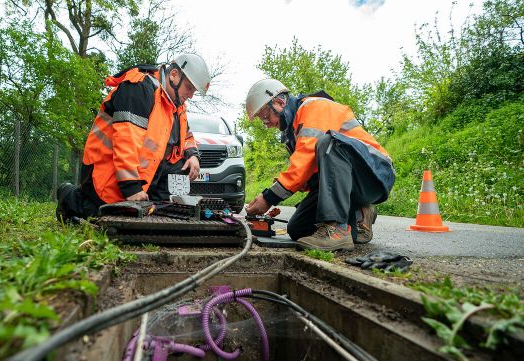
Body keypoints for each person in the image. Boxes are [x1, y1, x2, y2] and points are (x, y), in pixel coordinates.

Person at [56, 53, 211, 222]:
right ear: (174, 75)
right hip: (107, 168)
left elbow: (186, 134)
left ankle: (159, 204)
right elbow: (126, 140)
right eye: (189, 88)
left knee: (180, 168)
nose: (191, 95)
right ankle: (68, 195)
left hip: (143, 174)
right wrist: (131, 188)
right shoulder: (139, 88)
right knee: (103, 212)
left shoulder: (177, 105)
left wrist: (193, 155)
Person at [244, 79, 395, 251]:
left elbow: (305, 160)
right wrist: (287, 185)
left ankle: (336, 227)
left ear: (279, 102)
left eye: (265, 116)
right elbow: (313, 174)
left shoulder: (314, 107)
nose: (267, 124)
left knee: (329, 142)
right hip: (352, 183)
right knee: (298, 229)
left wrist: (269, 197)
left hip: (375, 173)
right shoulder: (293, 132)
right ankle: (356, 217)